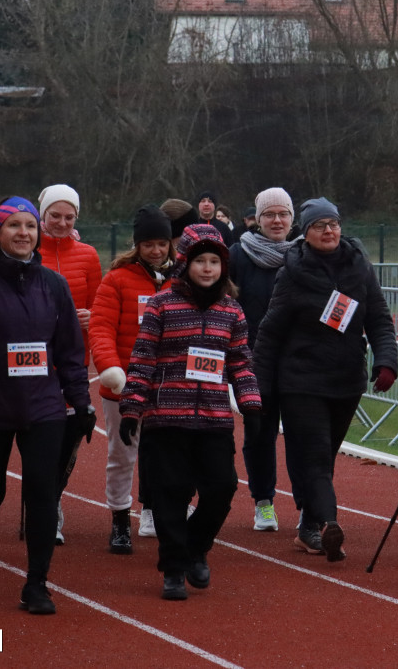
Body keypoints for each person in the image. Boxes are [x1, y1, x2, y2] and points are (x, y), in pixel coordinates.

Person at [0, 196, 95, 615]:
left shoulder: (54, 285)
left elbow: (68, 351)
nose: (24, 234)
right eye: (14, 226)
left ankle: (37, 583)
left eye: (30, 226)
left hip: (44, 407)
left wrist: (80, 403)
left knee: (41, 492)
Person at [118, 223, 261, 600]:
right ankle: (173, 568)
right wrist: (132, 408)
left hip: (214, 419)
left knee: (222, 487)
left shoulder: (232, 311)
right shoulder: (162, 305)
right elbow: (143, 358)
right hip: (167, 419)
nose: (208, 268)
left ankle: (195, 547)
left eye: (215, 261)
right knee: (170, 493)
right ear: (184, 264)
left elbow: (241, 363)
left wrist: (252, 405)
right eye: (201, 261)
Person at [254, 197, 398, 562]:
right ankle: (328, 525)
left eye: (333, 223)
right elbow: (270, 332)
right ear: (306, 232)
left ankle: (307, 526)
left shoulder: (359, 267)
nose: (329, 231)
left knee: (325, 456)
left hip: (346, 380)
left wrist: (386, 361)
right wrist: (259, 386)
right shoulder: (293, 272)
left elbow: (378, 318)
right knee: (316, 456)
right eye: (320, 225)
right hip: (301, 381)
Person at [89, 205, 175, 553]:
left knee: (168, 455)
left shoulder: (183, 280)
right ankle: (121, 520)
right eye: (148, 244)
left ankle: (160, 513)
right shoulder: (117, 279)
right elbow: (100, 329)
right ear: (136, 245)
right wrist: (112, 370)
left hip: (170, 387)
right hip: (124, 387)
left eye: (162, 243)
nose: (156, 251)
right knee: (122, 455)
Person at [37, 183, 103, 545]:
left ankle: (54, 498)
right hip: (34, 362)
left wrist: (91, 316)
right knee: (41, 437)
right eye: (55, 216)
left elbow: (100, 305)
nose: (61, 223)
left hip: (74, 360)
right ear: (42, 215)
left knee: (70, 436)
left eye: (69, 216)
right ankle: (43, 504)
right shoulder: (29, 249)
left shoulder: (89, 255)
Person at [229, 187, 297, 531]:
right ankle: (264, 502)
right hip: (253, 362)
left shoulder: (305, 253)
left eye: (283, 214)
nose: (276, 220)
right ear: (257, 219)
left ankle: (310, 508)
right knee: (259, 434)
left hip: (299, 363)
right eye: (269, 214)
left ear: (292, 218)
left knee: (304, 436)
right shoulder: (238, 255)